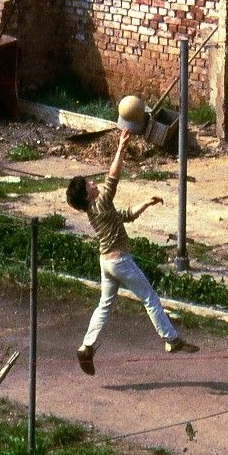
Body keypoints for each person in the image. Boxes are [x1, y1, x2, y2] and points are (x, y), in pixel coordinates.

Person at [66, 128, 198, 374]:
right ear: (87, 194)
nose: (94, 183)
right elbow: (113, 176)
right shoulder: (100, 202)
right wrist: (121, 146)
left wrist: (146, 203)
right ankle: (171, 339)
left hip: (106, 262)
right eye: (89, 184)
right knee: (150, 298)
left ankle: (87, 347)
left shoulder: (96, 211)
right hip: (120, 261)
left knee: (104, 306)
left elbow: (125, 216)